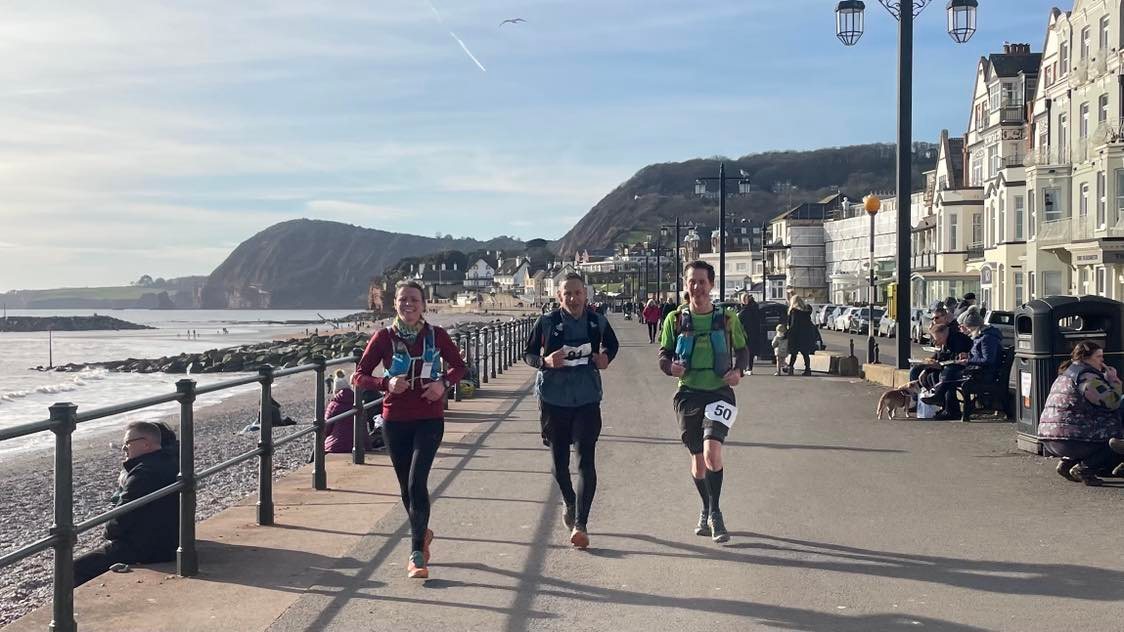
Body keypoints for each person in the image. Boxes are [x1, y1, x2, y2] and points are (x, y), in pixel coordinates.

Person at [354, 280, 466, 579]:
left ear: (423, 304)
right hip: (395, 420)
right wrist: (385, 383)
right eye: (403, 299)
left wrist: (443, 384)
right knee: (406, 488)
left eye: (414, 300)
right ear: (395, 304)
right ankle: (423, 531)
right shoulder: (383, 338)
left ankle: (416, 554)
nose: (409, 304)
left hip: (429, 418)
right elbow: (360, 375)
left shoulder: (436, 335)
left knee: (417, 482)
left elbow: (459, 366)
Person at [524, 273, 620, 549]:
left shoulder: (596, 322)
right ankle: (570, 500)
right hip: (554, 400)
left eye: (578, 293)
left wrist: (605, 358)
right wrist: (545, 361)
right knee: (559, 466)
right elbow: (528, 354)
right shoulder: (547, 322)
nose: (573, 298)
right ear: (559, 297)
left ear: (585, 295)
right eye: (567, 293)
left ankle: (581, 524)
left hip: (587, 399)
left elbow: (612, 345)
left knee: (585, 462)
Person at [658, 260, 750, 543]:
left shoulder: (727, 318)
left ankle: (716, 514)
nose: (696, 287)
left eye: (702, 281)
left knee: (712, 453)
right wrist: (669, 368)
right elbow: (664, 355)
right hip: (688, 393)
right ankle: (706, 507)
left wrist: (738, 372)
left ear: (711, 285)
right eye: (691, 281)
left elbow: (744, 350)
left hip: (719, 391)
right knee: (698, 463)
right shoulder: (674, 319)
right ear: (685, 285)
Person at [74, 422, 179, 586]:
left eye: (128, 443)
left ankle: (67, 610)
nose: (124, 448)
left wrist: (108, 532)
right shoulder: (173, 463)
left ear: (146, 443)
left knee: (73, 568)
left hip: (148, 548)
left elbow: (120, 520)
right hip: (172, 541)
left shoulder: (142, 474)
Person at [1038, 342, 1124, 486]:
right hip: (1071, 439)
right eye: (1098, 356)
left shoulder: (1068, 373)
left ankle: (1066, 463)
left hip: (1051, 436)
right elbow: (1112, 402)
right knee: (1116, 439)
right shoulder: (1087, 377)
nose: (1102, 360)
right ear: (1086, 358)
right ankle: (1084, 468)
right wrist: (1114, 380)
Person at [916, 323, 973, 420]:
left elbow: (955, 357)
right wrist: (931, 365)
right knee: (932, 375)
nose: (936, 341)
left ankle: (948, 407)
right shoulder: (946, 340)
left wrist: (940, 364)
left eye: (937, 338)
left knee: (947, 375)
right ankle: (945, 406)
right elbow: (941, 355)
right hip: (955, 366)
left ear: (943, 334)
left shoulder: (956, 339)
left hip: (966, 368)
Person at [323, 373, 374, 453]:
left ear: (336, 390)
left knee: (318, 432)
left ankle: (313, 461)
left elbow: (325, 428)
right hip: (363, 445)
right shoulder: (358, 402)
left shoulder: (334, 405)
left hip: (336, 446)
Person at [785, 290, 815, 377]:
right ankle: (808, 370)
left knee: (794, 353)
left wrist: (788, 333)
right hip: (805, 336)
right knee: (805, 354)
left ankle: (791, 369)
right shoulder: (806, 313)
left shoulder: (794, 312)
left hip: (796, 336)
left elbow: (793, 325)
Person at [737, 295, 763, 376]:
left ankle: (743, 368)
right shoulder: (755, 308)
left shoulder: (746, 309)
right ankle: (749, 368)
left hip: (745, 332)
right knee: (750, 351)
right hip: (754, 332)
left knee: (743, 350)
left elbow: (740, 320)